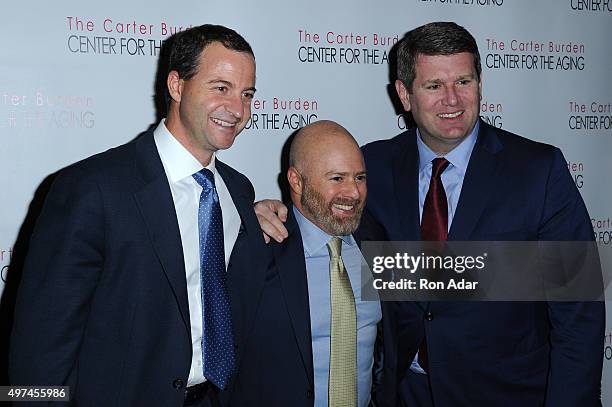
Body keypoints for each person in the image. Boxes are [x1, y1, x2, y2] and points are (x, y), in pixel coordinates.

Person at [255, 22, 605, 407]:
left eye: (464, 82)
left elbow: (579, 312)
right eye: (434, 86)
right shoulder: (374, 166)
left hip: (507, 394)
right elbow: (325, 212)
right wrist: (268, 213)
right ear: (405, 95)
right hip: (404, 394)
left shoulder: (538, 171)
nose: (452, 99)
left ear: (480, 84)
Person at [10, 24, 268, 406]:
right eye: (220, 88)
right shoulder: (91, 189)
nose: (237, 109)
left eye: (247, 94)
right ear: (176, 86)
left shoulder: (239, 192)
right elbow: (37, 352)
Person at [231, 120, 381, 407]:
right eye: (337, 178)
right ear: (296, 181)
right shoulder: (258, 248)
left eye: (359, 177)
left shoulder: (374, 242)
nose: (353, 193)